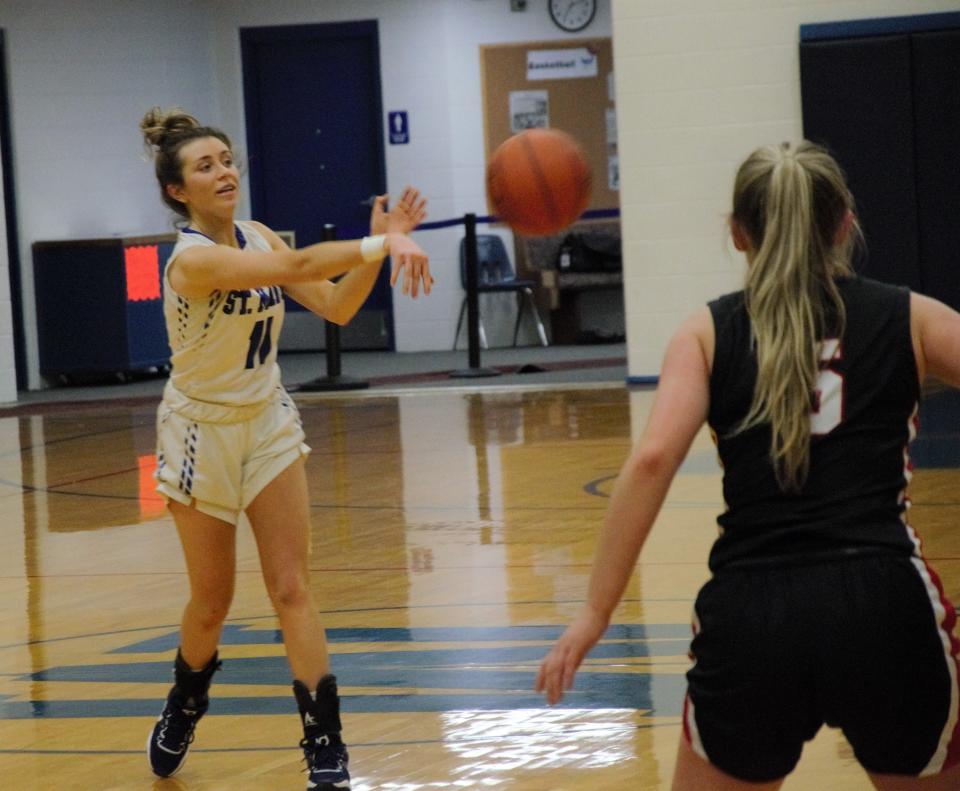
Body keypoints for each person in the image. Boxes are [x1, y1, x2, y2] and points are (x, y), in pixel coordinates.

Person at [536, 141, 960, 790]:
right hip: (885, 603)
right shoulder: (911, 315)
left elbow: (652, 460)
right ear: (845, 222)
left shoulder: (706, 332)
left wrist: (594, 613)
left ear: (737, 234)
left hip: (752, 614)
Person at [139, 106, 432, 790]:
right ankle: (185, 700)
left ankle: (325, 740)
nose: (224, 171)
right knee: (212, 602)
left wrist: (377, 251)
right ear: (177, 190)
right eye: (205, 165)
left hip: (265, 419)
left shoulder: (255, 233)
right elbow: (298, 262)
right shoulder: (194, 259)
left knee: (292, 585)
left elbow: (334, 304)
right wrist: (379, 243)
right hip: (199, 433)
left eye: (227, 158)